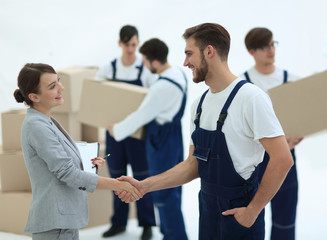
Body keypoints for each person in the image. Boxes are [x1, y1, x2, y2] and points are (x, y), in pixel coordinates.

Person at [116, 23, 294, 240]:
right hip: (208, 209)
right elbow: (193, 165)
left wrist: (253, 211)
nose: (185, 62)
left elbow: (283, 159)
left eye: (189, 54)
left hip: (240, 214)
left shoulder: (251, 98)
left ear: (209, 51)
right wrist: (145, 185)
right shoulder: (199, 105)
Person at [14, 63, 141, 240]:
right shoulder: (37, 126)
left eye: (58, 81)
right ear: (34, 96)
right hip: (55, 223)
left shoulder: (45, 120)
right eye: (52, 86)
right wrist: (117, 185)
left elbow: (59, 160)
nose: (61, 88)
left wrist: (86, 160)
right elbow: (67, 173)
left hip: (63, 221)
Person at [108, 38, 188, 240]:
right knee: (172, 188)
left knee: (164, 192)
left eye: (144, 60)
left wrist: (116, 130)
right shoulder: (178, 73)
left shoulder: (160, 88)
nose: (142, 64)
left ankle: (174, 236)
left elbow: (139, 117)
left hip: (161, 140)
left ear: (154, 62)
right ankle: (169, 233)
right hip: (174, 135)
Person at [240, 27, 303, 240]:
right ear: (251, 51)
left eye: (272, 44)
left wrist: (299, 134)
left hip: (284, 155)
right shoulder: (241, 83)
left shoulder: (292, 80)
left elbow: (308, 115)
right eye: (263, 46)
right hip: (253, 160)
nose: (270, 50)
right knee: (252, 213)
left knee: (285, 217)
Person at [96, 25, 156, 239]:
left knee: (142, 178)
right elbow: (97, 96)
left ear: (137, 44)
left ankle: (147, 224)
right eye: (126, 44)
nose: (130, 49)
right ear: (119, 44)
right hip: (114, 136)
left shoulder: (146, 70)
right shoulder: (108, 69)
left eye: (134, 44)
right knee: (117, 179)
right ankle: (119, 223)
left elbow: (153, 101)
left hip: (138, 137)